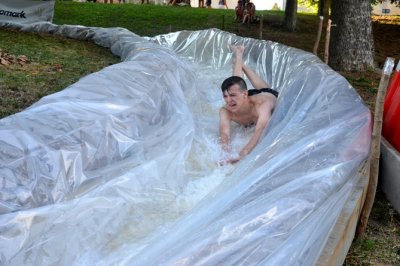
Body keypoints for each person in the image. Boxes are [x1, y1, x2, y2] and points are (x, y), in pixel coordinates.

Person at [219, 45, 278, 164]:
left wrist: (242, 154)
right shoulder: (225, 110)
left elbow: (260, 129)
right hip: (244, 99)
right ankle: (239, 54)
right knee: (235, 83)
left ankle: (242, 65)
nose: (228, 100)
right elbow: (224, 133)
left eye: (232, 96)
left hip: (266, 94)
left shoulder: (262, 105)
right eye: (225, 96)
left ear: (245, 94)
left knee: (264, 88)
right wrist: (225, 151)